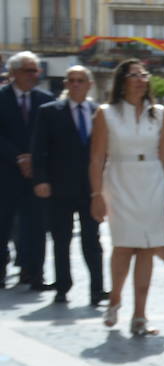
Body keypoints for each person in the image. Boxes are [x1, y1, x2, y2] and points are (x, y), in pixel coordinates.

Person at [87, 59, 164, 335]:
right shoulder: (106, 113)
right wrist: (96, 194)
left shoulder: (159, 113)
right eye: (134, 75)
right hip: (119, 179)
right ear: (122, 81)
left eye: (144, 75)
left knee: (148, 247)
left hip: (152, 180)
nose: (141, 79)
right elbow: (96, 158)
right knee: (123, 245)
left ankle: (140, 314)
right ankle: (115, 297)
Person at [31, 66, 104, 306]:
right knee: (61, 240)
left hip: (90, 188)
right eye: (70, 80)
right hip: (59, 187)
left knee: (92, 240)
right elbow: (39, 149)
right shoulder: (49, 112)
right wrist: (40, 179)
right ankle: (62, 287)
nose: (75, 84)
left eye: (80, 80)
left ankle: (97, 289)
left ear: (89, 84)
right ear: (65, 84)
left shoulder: (99, 113)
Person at [0, 51, 55, 289]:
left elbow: (51, 137)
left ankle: (33, 273)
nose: (34, 75)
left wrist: (34, 159)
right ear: (13, 73)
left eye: (36, 70)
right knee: (3, 223)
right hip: (6, 172)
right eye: (28, 71)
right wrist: (17, 158)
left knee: (36, 225)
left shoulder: (45, 99)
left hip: (36, 174)